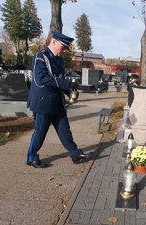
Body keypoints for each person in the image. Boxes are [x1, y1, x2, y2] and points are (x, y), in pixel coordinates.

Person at [26, 31, 92, 168]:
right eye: (63, 47)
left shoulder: (58, 60)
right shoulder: (40, 56)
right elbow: (41, 79)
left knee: (64, 130)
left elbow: (59, 79)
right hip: (43, 102)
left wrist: (70, 91)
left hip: (57, 101)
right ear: (54, 42)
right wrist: (66, 84)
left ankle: (75, 154)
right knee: (40, 132)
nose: (64, 51)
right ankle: (31, 157)